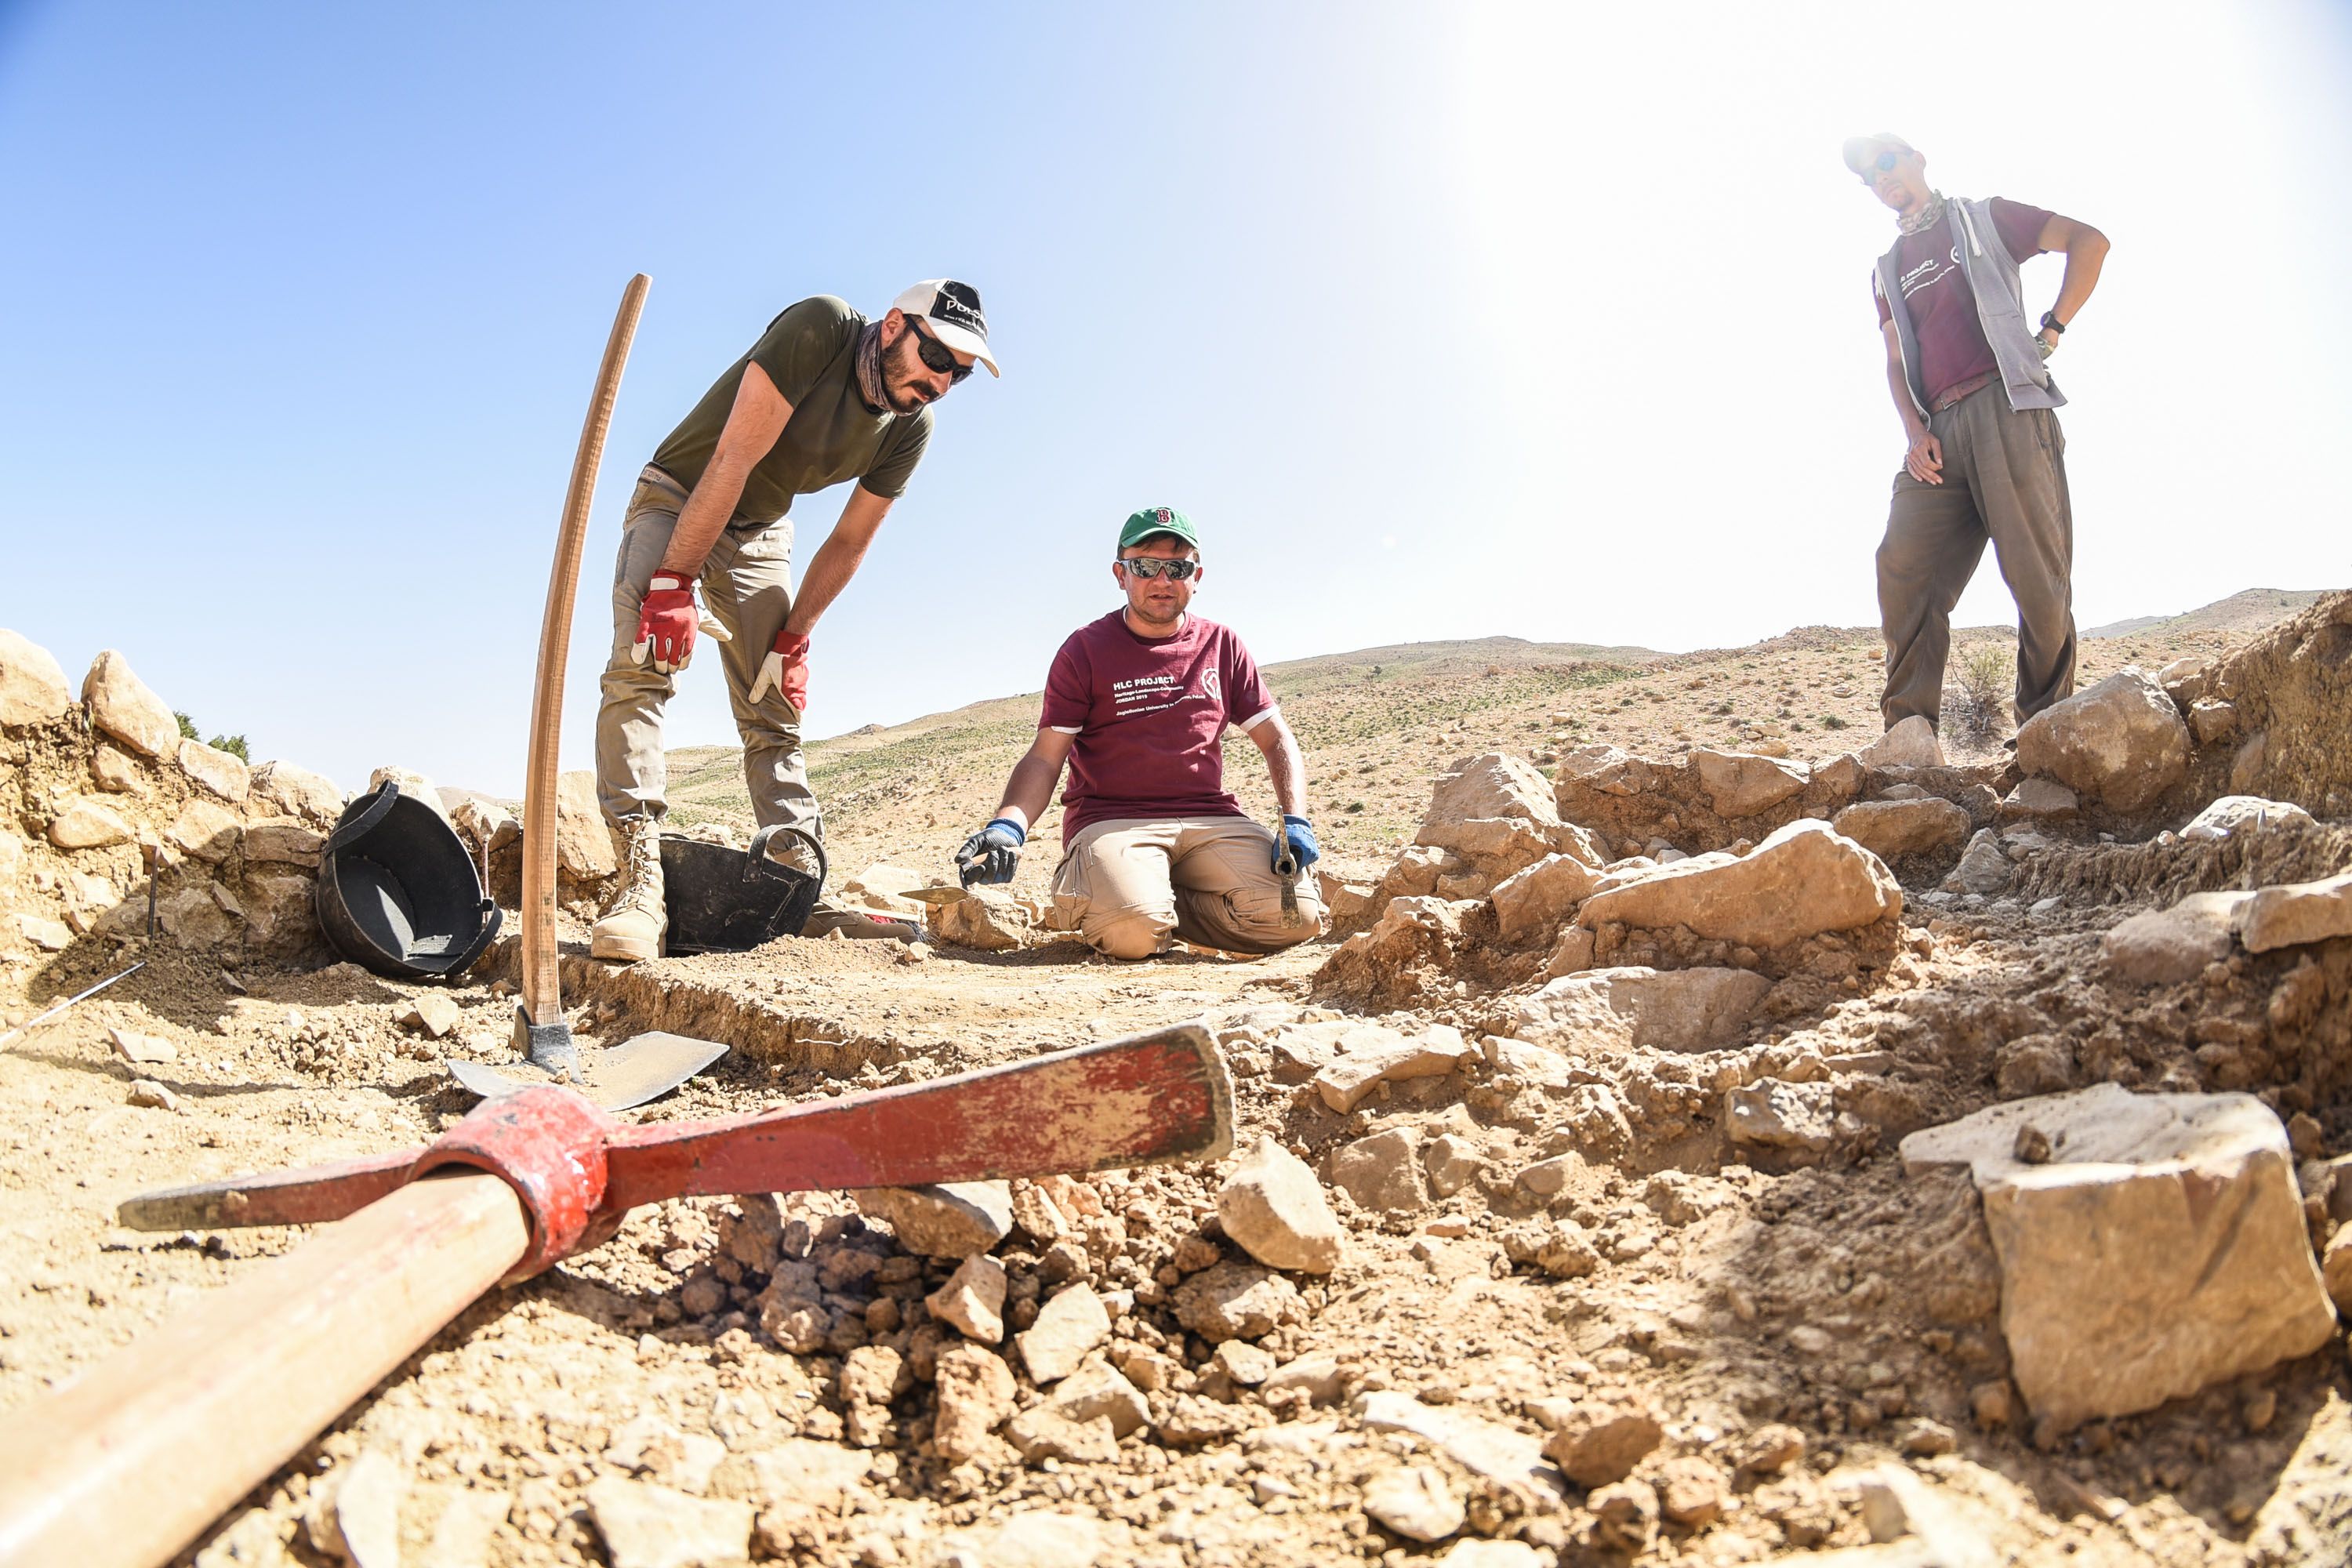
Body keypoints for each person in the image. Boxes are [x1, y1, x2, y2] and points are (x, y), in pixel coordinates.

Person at [590, 281, 998, 961]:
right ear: (895, 325)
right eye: (936, 355)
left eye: (958, 372)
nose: (943, 380)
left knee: (771, 705)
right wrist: (673, 582)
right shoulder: (824, 327)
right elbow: (733, 457)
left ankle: (794, 883)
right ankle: (640, 884)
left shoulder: (910, 424)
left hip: (759, 530)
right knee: (644, 670)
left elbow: (850, 540)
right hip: (682, 495)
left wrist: (795, 634)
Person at [956, 507, 1327, 960]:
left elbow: (1276, 739)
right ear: (1121, 574)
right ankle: (1125, 897)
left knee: (1297, 917)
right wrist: (1008, 826)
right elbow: (1046, 757)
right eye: (1145, 566)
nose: (1162, 580)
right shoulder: (1085, 650)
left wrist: (1296, 820)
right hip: (1114, 821)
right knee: (1132, 933)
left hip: (1210, 818)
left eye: (1178, 567)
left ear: (1197, 575)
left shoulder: (1222, 645)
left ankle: (1153, 899)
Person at [1845, 132, 2109, 749]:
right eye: (1868, 177)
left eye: (1887, 161)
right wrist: (1914, 432)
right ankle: (1910, 740)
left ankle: (2043, 736)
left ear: (1916, 157)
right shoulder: (1886, 269)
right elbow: (1893, 359)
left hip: (2007, 408)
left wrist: (2053, 328)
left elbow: (2088, 242)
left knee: (2037, 577)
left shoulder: (1986, 218)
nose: (1882, 179)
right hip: (1936, 432)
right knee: (1903, 564)